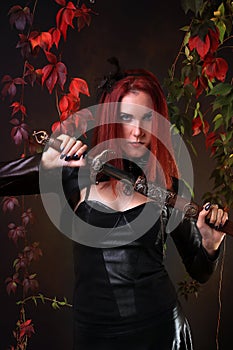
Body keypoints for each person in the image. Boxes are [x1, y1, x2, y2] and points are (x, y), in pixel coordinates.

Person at [0, 68, 228, 350]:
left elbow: (200, 270)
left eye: (147, 118)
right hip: (95, 334)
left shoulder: (170, 188)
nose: (137, 131)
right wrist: (45, 163)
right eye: (126, 118)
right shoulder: (77, 172)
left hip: (161, 330)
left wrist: (209, 243)